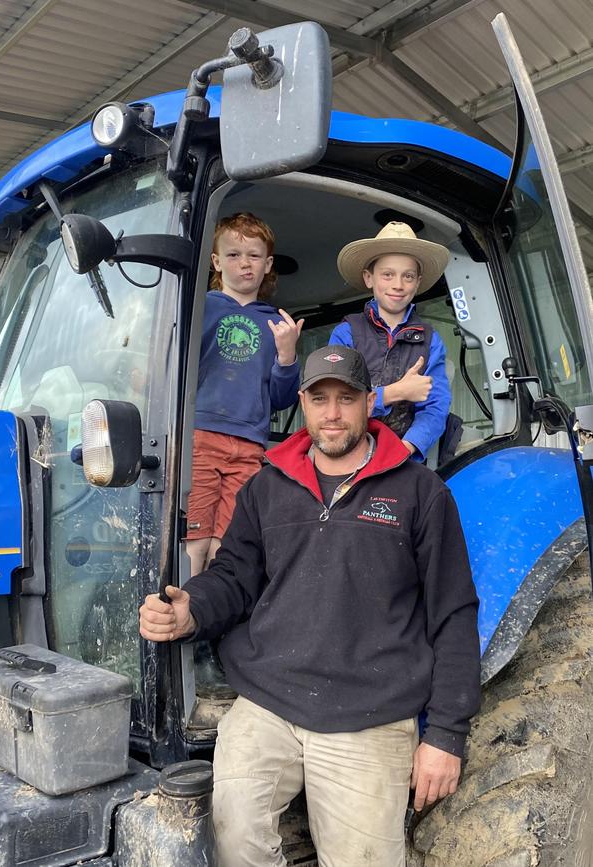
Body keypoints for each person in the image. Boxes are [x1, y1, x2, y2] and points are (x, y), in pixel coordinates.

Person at [140, 345, 481, 867]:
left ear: (370, 403)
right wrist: (192, 611)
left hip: (370, 713)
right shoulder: (267, 487)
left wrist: (447, 735)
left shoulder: (421, 493)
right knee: (230, 839)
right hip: (268, 702)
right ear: (302, 403)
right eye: (320, 399)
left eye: (347, 398)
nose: (333, 413)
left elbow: (453, 612)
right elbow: (235, 577)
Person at [186, 212, 303, 575]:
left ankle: (211, 613)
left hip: (250, 443)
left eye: (253, 255)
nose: (244, 264)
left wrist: (287, 354)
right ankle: (183, 615)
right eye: (233, 255)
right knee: (194, 538)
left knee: (228, 539)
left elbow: (283, 399)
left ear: (268, 264)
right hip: (202, 435)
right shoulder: (197, 309)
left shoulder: (274, 322)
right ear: (216, 261)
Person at [330, 220, 452, 461]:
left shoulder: (430, 341)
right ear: (369, 278)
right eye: (387, 275)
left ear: (417, 282)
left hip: (403, 458)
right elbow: (337, 403)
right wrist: (396, 392)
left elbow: (435, 408)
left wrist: (406, 448)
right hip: (347, 455)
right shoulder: (346, 333)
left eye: (408, 276)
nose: (398, 285)